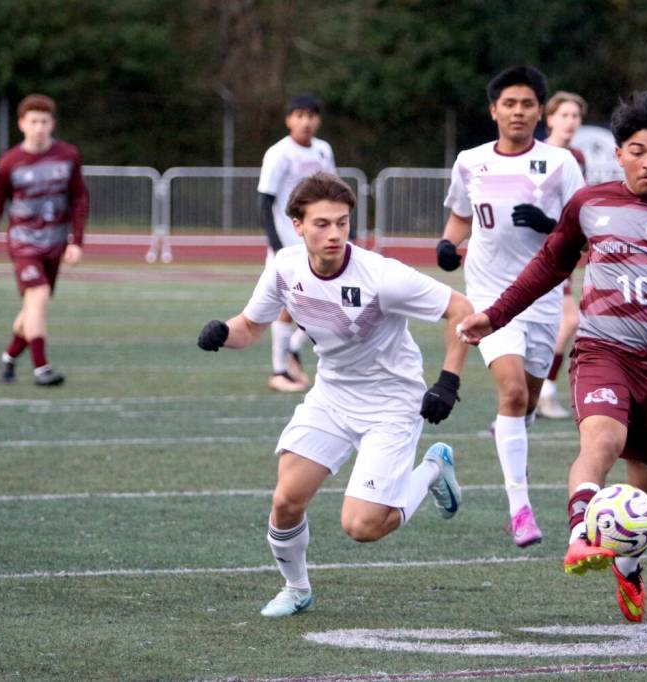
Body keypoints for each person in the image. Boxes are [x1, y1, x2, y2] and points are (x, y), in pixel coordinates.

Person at [457, 91, 647, 622]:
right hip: (600, 351)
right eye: (637, 150)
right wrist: (495, 315)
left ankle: (629, 563)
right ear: (618, 153)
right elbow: (548, 267)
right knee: (603, 439)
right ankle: (579, 536)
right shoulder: (590, 204)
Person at [198, 172, 473, 618]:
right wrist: (220, 333)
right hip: (332, 395)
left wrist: (449, 381)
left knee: (362, 526)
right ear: (297, 225)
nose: (334, 234)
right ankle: (297, 588)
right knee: (286, 499)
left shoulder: (381, 276)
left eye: (342, 223)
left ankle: (433, 469)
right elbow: (249, 327)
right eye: (322, 223)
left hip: (391, 403)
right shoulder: (285, 268)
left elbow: (461, 310)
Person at [436, 66, 585, 548]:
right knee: (515, 395)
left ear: (539, 111)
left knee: (526, 403)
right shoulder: (470, 161)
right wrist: (446, 243)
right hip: (488, 296)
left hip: (542, 296)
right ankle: (520, 510)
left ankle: (512, 450)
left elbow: (582, 232)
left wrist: (549, 223)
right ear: (493, 110)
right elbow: (461, 215)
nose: (517, 112)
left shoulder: (561, 163)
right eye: (509, 103)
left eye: (526, 104)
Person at [0, 94, 88, 387]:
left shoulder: (68, 156)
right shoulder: (10, 162)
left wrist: (76, 240)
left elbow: (79, 198)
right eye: (33, 121)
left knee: (34, 307)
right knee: (39, 296)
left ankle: (8, 358)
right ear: (22, 124)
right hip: (23, 243)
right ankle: (41, 367)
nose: (39, 127)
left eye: (44, 121)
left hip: (55, 242)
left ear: (52, 123)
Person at [257, 94, 337, 392]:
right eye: (299, 115)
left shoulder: (322, 150)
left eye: (311, 115)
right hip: (287, 243)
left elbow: (332, 192)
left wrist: (345, 234)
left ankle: (293, 348)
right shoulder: (278, 153)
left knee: (328, 300)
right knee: (284, 306)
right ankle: (279, 371)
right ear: (289, 119)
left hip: (317, 242)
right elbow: (265, 200)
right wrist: (276, 243)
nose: (306, 121)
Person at [537, 91, 588, 419]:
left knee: (559, 321)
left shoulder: (578, 157)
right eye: (564, 115)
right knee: (567, 319)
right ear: (550, 118)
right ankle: (541, 392)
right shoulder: (538, 154)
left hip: (561, 248)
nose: (570, 121)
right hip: (539, 250)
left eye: (575, 116)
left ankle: (538, 392)